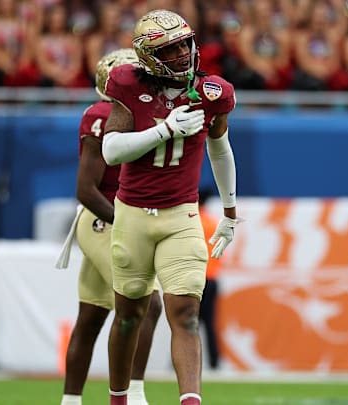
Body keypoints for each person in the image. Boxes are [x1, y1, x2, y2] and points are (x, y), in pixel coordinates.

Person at [100, 9, 239, 405]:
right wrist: (164, 129)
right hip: (133, 213)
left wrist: (230, 212)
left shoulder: (214, 92)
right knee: (129, 315)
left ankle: (191, 400)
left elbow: (221, 150)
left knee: (185, 314)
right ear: (147, 56)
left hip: (181, 214)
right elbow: (111, 151)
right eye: (170, 48)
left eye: (184, 43)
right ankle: (119, 398)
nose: (181, 53)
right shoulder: (127, 84)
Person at [57, 48, 163, 405]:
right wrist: (129, 220)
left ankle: (70, 401)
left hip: (120, 217)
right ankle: (134, 394)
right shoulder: (102, 115)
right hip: (103, 217)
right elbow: (86, 190)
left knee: (91, 315)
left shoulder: (142, 114)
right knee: (146, 303)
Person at [197, 187, 222, 370]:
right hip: (212, 278)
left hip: (195, 277)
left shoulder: (191, 222)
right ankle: (214, 362)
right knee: (210, 323)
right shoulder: (212, 223)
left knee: (186, 323)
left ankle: (179, 362)